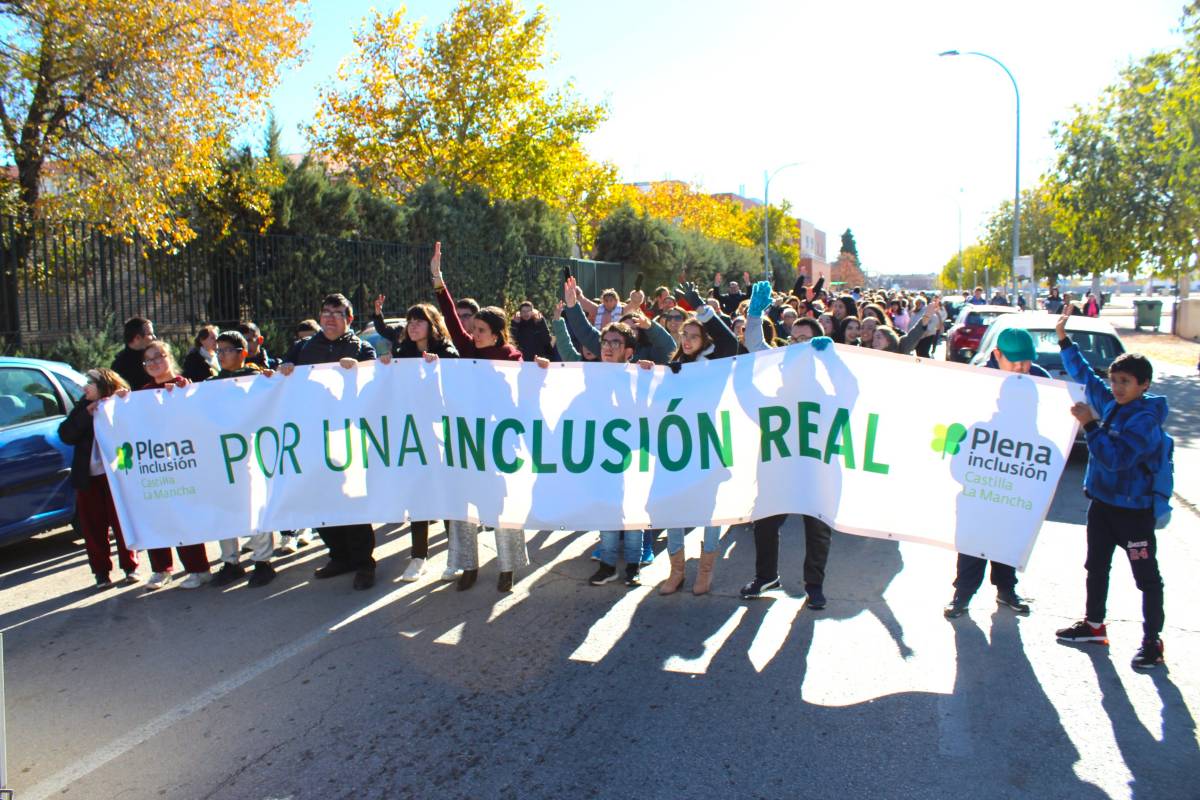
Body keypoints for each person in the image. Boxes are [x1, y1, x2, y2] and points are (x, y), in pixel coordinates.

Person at [1051, 309, 1168, 669]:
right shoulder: (1114, 405)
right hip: (1102, 506)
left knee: (1147, 579)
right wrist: (1063, 339)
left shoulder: (1145, 420)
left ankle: (1152, 641)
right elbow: (1085, 375)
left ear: (1144, 385)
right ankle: (1094, 625)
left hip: (1134, 513)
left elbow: (1117, 459)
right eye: (1115, 380)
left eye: (1126, 382)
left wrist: (1091, 425)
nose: (1116, 387)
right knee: (1096, 567)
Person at [431, 243, 529, 593]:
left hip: (499, 440)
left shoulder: (512, 358)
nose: (473, 335)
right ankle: (466, 565)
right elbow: (452, 319)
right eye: (473, 330)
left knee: (503, 505)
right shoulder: (468, 348)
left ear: (498, 333)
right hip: (466, 437)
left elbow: (522, 393)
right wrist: (438, 279)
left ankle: (507, 568)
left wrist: (543, 369)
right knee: (464, 502)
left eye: (481, 331)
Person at [739, 281, 834, 609]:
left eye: (806, 340)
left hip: (816, 461)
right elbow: (755, 344)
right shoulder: (780, 362)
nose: (799, 345)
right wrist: (754, 314)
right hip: (778, 458)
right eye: (795, 339)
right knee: (764, 520)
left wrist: (832, 361)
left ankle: (814, 585)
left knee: (817, 527)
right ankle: (766, 575)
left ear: (820, 343)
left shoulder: (828, 371)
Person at [943, 327, 1046, 619]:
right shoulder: (980, 382)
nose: (1022, 368)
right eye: (1015, 361)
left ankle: (1006, 589)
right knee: (973, 540)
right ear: (997, 355)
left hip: (1016, 476)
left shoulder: (1041, 382)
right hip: (981, 476)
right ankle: (962, 594)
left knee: (1009, 538)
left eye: (1026, 361)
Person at [279, 293, 379, 590]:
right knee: (320, 500)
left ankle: (364, 562)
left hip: (347, 437)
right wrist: (283, 369)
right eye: (325, 312)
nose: (330, 317)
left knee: (351, 501)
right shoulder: (302, 349)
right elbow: (276, 381)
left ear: (349, 320)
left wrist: (360, 371)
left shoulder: (362, 349)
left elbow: (376, 386)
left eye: (337, 313)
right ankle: (339, 555)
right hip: (311, 437)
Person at [377, 301, 460, 582]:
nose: (412, 326)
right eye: (410, 321)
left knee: (447, 495)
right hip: (412, 434)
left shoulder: (447, 353)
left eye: (419, 321)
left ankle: (456, 554)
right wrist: (387, 366)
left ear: (432, 325)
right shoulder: (402, 354)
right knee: (418, 495)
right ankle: (418, 556)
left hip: (442, 435)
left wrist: (440, 371)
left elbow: (457, 391)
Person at [127, 341, 213, 590]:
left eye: (158, 357)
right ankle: (161, 569)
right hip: (155, 465)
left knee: (183, 515)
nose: (153, 363)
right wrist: (122, 400)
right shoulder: (141, 393)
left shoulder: (183, 386)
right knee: (157, 515)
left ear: (169, 358)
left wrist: (185, 395)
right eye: (148, 360)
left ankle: (199, 569)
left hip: (182, 463)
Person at [206, 331, 278, 588]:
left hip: (250, 450)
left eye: (227, 350)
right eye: (219, 351)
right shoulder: (211, 383)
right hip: (222, 454)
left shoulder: (255, 377)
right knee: (224, 506)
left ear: (242, 353)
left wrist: (269, 380)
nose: (222, 355)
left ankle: (263, 561)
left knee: (253, 504)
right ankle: (230, 561)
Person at [58, 367, 140, 587]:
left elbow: (136, 427)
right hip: (88, 478)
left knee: (122, 522)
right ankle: (101, 573)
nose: (84, 387)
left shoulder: (119, 402)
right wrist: (87, 414)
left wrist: (123, 401)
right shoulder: (83, 407)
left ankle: (130, 567)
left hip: (116, 475)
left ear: (103, 385)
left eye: (90, 383)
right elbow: (66, 434)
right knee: (93, 527)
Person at [111, 316, 155, 389]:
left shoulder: (155, 356)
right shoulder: (119, 365)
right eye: (150, 334)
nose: (154, 337)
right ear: (137, 338)